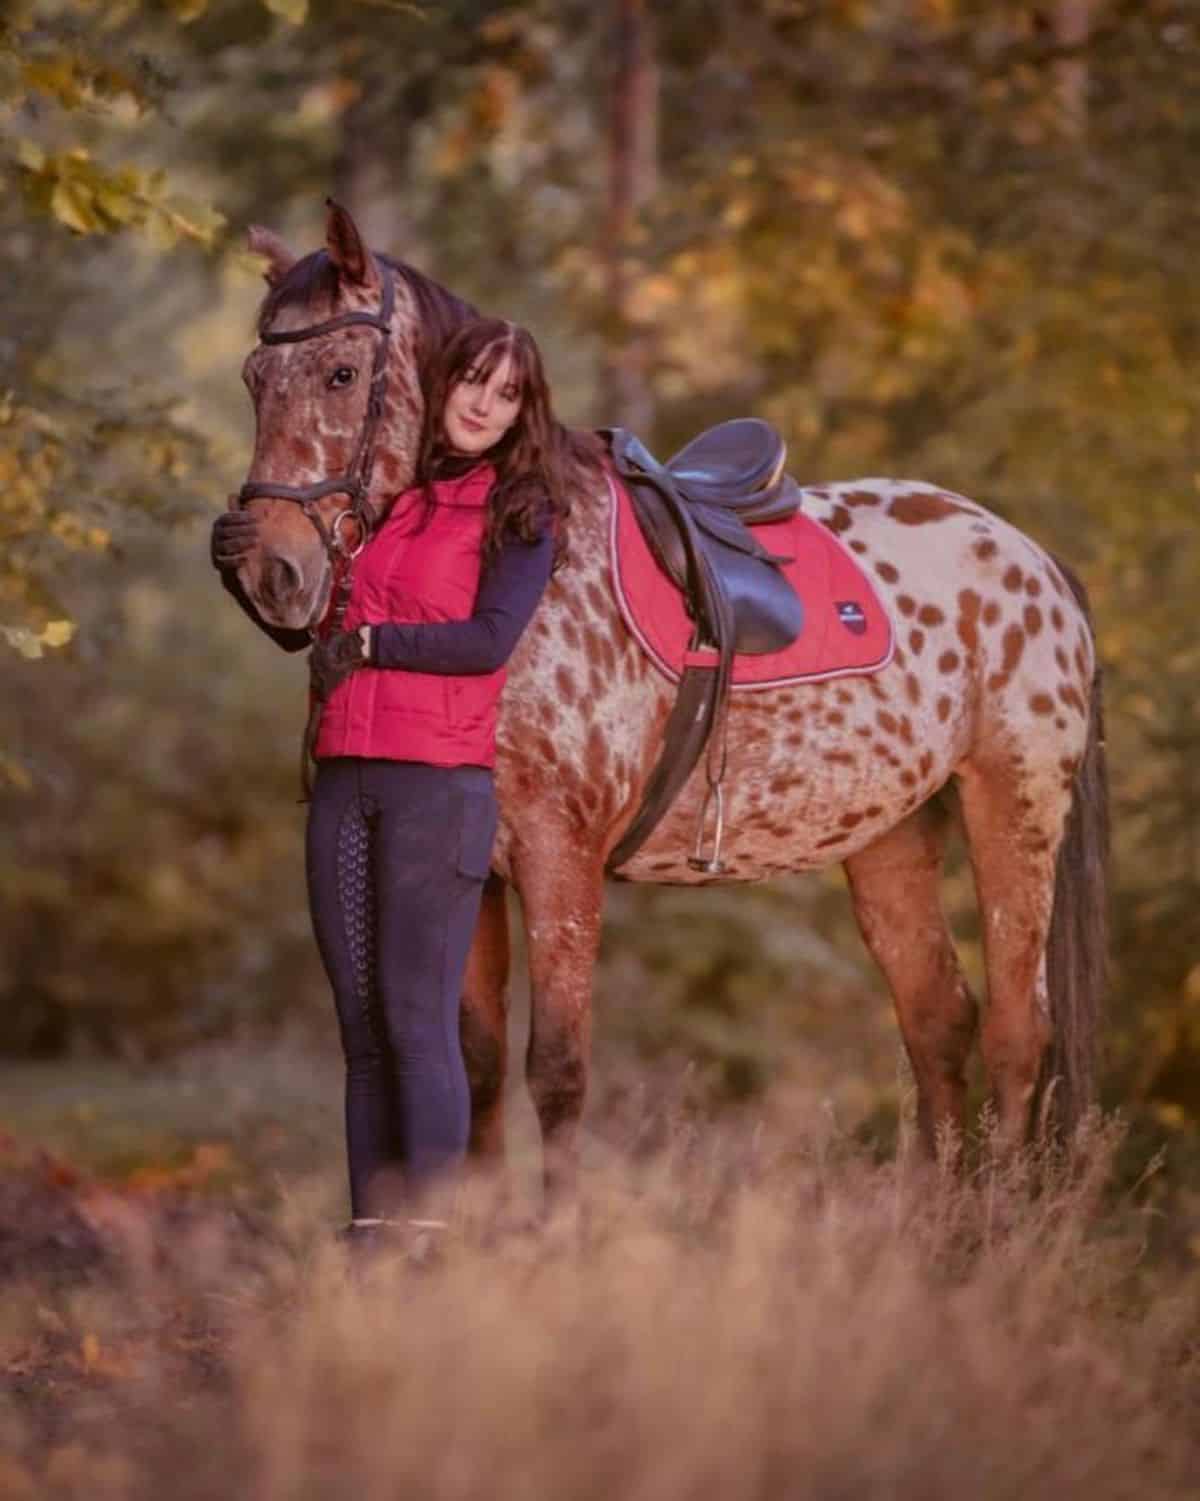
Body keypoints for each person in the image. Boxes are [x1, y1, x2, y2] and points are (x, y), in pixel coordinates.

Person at [211, 317, 600, 1250]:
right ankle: (375, 1241)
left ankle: (429, 1242)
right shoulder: (394, 501)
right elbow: (315, 634)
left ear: (523, 410)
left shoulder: (523, 512)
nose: (483, 403)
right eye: (473, 380)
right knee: (361, 1029)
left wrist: (376, 645)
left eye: (506, 393)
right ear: (443, 382)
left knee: (417, 1018)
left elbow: (484, 642)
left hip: (439, 788)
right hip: (346, 777)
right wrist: (236, 573)